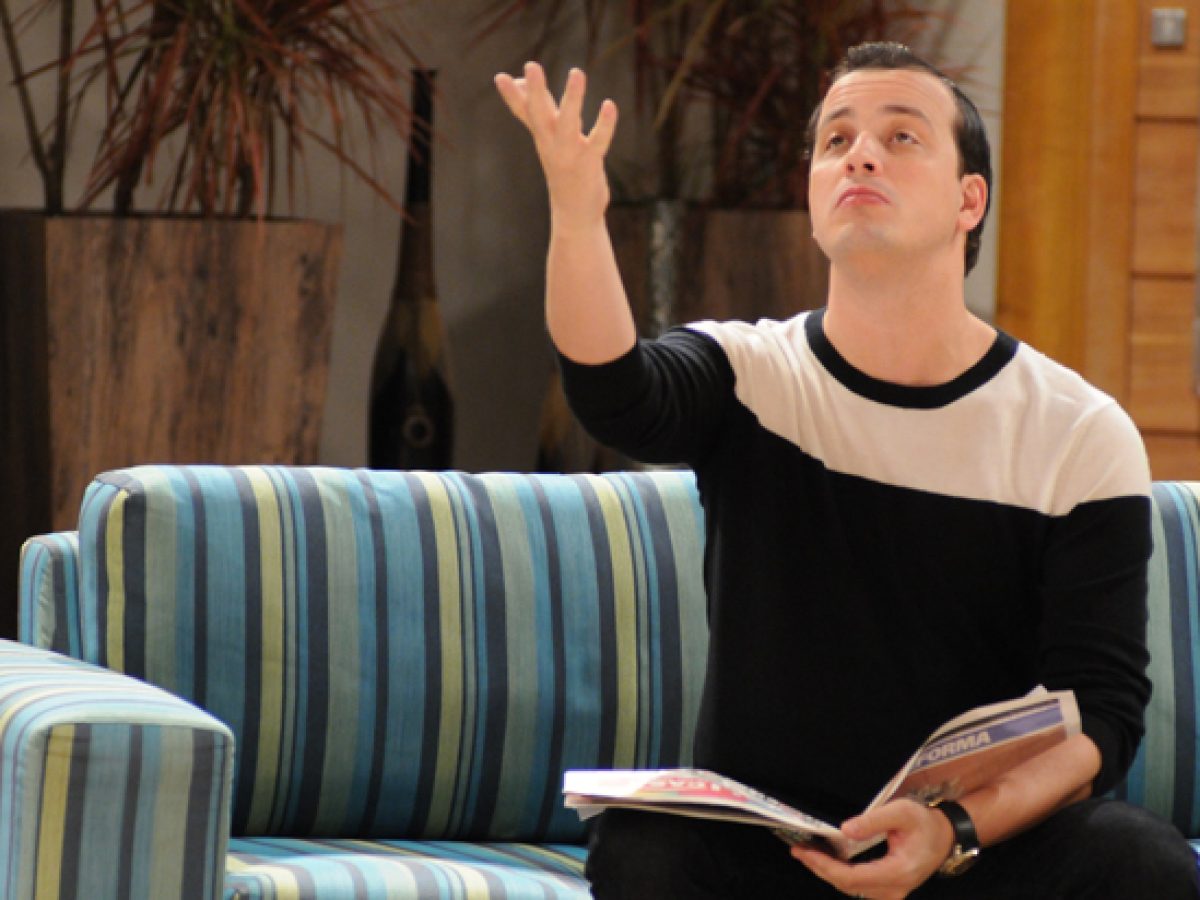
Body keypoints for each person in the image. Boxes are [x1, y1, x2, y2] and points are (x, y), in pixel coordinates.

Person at [495, 42, 1200, 899]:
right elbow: (616, 395)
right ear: (813, 197)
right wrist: (577, 215)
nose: (860, 154)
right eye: (836, 140)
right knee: (643, 846)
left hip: (973, 854)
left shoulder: (1079, 434)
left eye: (901, 137)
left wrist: (953, 829)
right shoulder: (750, 374)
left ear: (969, 200)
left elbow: (1103, 714)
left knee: (1142, 863)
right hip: (776, 855)